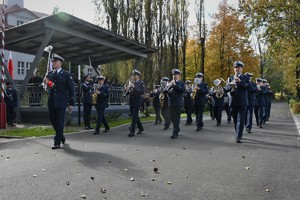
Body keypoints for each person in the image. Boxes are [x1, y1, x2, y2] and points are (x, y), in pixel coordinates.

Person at [44, 54, 75, 149]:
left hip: (61, 102)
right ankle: (61, 136)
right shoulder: (50, 74)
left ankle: (57, 142)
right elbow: (47, 87)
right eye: (53, 61)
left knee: (60, 122)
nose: (53, 63)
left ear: (60, 63)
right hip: (52, 101)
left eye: (55, 61)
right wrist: (45, 82)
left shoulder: (66, 74)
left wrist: (71, 104)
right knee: (53, 120)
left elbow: (71, 89)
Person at [227, 61, 249, 143]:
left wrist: (240, 82)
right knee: (235, 120)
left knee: (241, 119)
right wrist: (226, 88)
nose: (237, 69)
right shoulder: (230, 78)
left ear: (242, 69)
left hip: (242, 102)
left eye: (239, 67)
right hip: (233, 102)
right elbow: (227, 89)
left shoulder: (245, 78)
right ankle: (238, 133)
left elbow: (249, 88)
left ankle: (238, 136)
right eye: (235, 68)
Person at [126, 69, 145, 137]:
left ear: (138, 76)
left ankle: (132, 131)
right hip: (132, 101)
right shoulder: (132, 82)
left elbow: (141, 92)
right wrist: (127, 89)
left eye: (134, 75)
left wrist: (134, 87)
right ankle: (141, 128)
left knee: (134, 116)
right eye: (133, 75)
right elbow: (128, 92)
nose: (133, 76)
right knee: (134, 115)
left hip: (137, 101)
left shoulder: (141, 83)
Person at [168, 69, 185, 139]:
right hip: (171, 103)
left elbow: (182, 90)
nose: (174, 76)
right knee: (172, 118)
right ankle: (177, 128)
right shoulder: (170, 83)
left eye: (176, 75)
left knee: (176, 118)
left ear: (179, 75)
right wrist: (168, 86)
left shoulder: (181, 83)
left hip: (178, 103)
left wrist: (175, 85)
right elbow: (166, 92)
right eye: (173, 75)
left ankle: (175, 132)